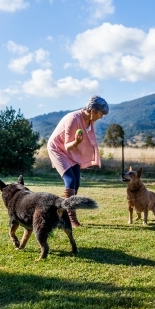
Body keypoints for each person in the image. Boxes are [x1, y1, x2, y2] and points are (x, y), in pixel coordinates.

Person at [47, 95, 109, 227]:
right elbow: (67, 145)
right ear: (92, 111)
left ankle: (61, 213)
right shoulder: (73, 119)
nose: (101, 117)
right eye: (100, 113)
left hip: (71, 150)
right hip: (58, 149)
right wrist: (76, 142)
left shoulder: (89, 121)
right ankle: (70, 218)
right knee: (70, 180)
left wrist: (78, 144)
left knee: (77, 183)